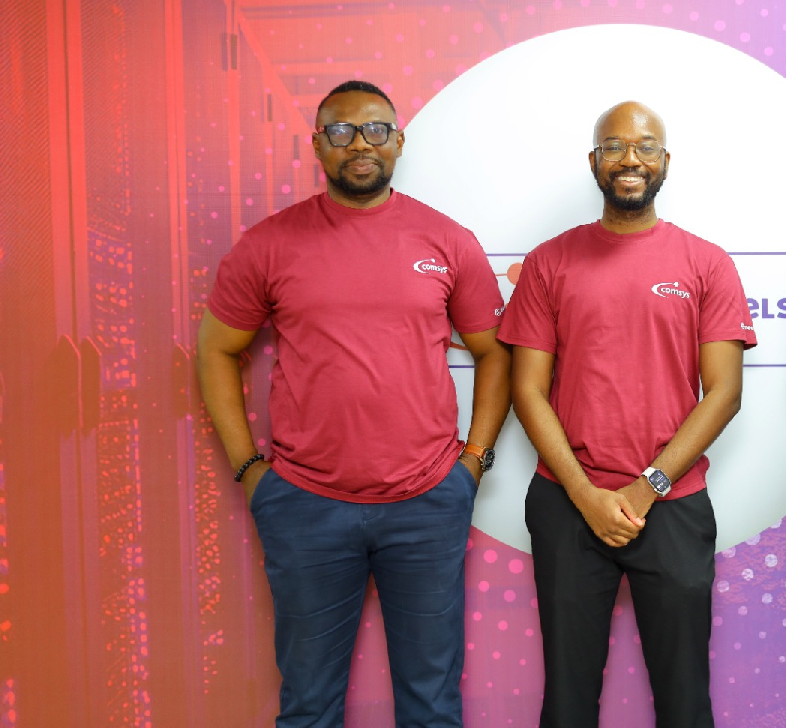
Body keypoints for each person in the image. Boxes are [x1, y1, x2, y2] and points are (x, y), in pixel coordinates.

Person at [196, 80, 511, 728]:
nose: (359, 144)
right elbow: (216, 351)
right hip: (304, 504)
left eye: (375, 130)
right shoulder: (270, 244)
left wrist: (473, 461)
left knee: (432, 706)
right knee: (309, 706)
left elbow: (496, 352)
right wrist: (251, 471)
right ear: (318, 145)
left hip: (427, 502)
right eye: (340, 132)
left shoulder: (447, 241)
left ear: (399, 141)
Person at [499, 101, 757, 727]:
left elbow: (724, 392)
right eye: (614, 147)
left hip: (671, 505)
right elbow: (527, 390)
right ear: (595, 161)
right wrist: (586, 495)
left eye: (645, 147)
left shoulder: (706, 262)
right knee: (567, 700)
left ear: (665, 161)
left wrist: (647, 488)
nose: (629, 159)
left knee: (684, 700)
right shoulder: (548, 262)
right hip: (567, 502)